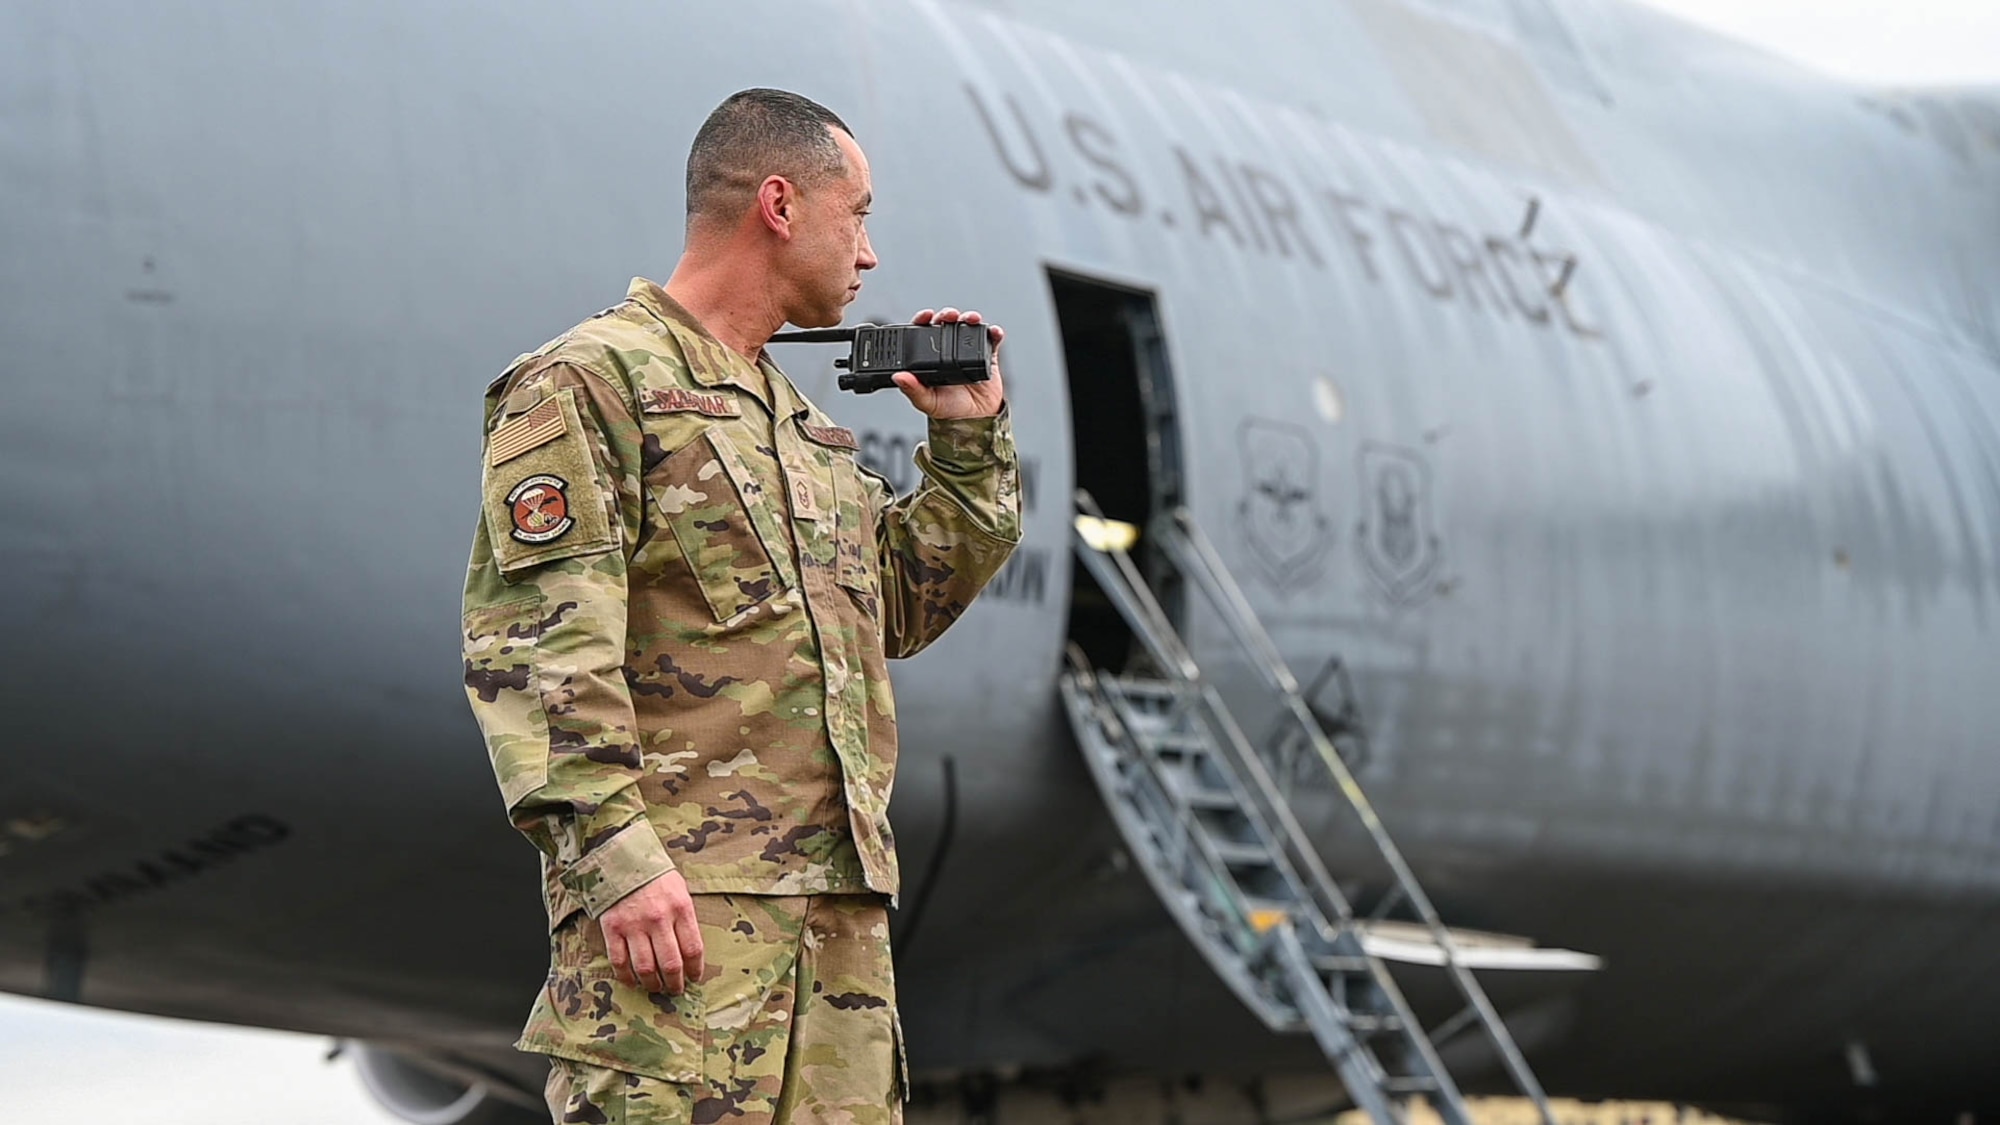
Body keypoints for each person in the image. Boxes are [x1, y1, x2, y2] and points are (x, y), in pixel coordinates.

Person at [460, 88, 1020, 1124]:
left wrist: (967, 446)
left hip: (836, 941)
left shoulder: (796, 421)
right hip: (681, 927)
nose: (869, 253)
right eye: (856, 214)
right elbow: (538, 648)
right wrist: (616, 860)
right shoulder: (589, 382)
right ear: (779, 203)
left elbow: (897, 606)